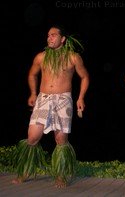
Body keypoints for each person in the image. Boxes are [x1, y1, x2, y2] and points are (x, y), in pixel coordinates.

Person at [11, 25, 90, 188]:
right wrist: (33, 93)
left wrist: (81, 98)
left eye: (53, 35)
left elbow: (85, 77)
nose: (49, 38)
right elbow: (32, 74)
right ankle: (25, 170)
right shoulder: (41, 57)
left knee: (61, 139)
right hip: (43, 99)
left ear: (63, 39)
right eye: (48, 35)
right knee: (32, 137)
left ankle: (60, 175)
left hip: (63, 100)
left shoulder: (73, 57)